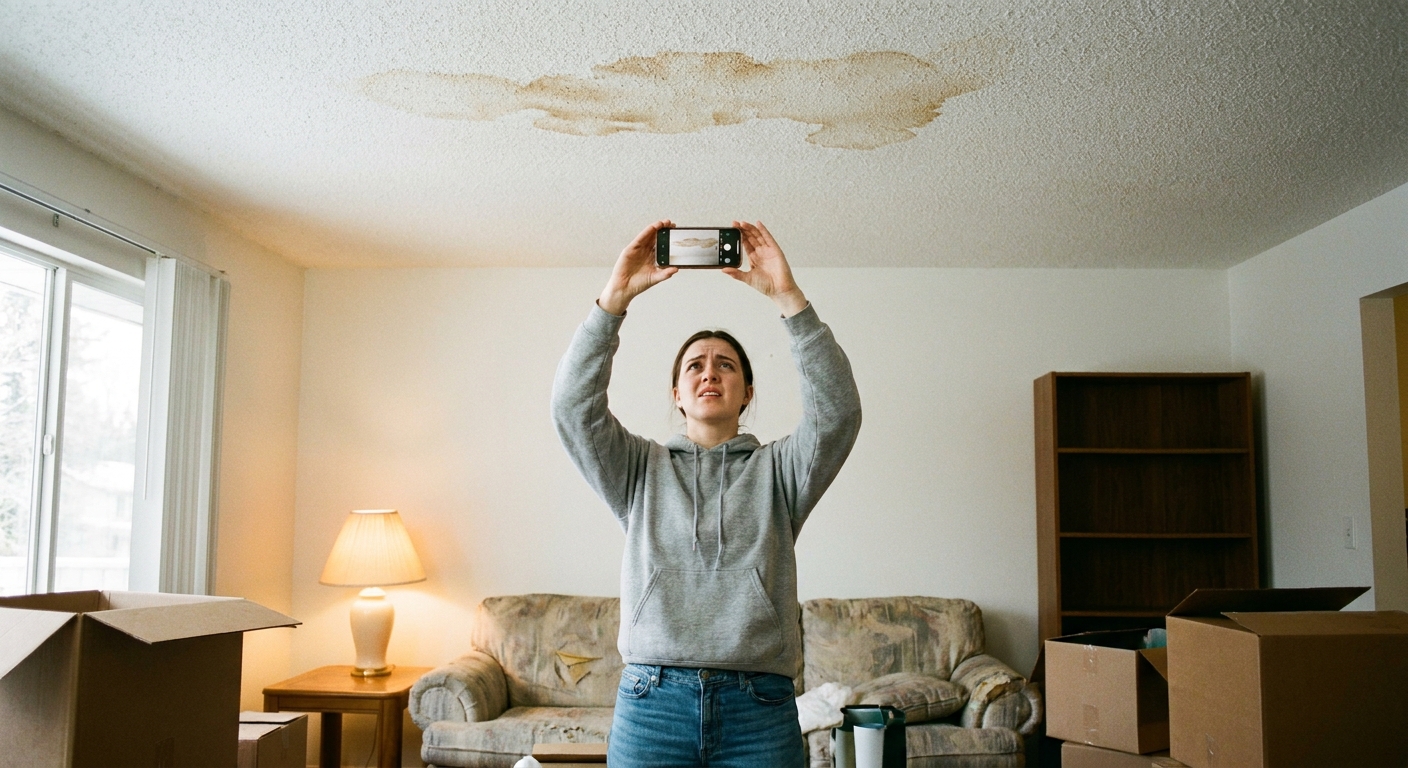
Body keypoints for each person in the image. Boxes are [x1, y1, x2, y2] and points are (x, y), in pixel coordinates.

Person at [551, 219, 862, 768]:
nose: (709, 373)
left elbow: (837, 414)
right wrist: (613, 302)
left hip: (759, 709)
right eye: (695, 365)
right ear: (677, 392)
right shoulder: (639, 468)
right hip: (652, 704)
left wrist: (787, 297)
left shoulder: (779, 471)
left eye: (726, 365)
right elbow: (573, 410)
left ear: (745, 391)